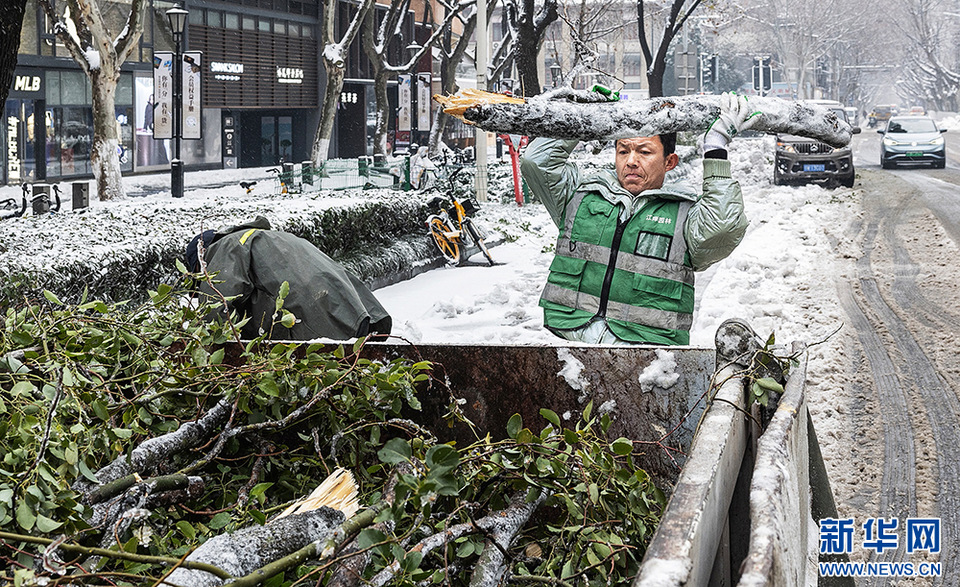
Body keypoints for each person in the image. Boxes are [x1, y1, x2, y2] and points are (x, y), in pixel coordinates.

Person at [519, 92, 758, 346]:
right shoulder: (580, 195)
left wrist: (716, 147)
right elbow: (537, 162)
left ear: (669, 161)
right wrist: (583, 117)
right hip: (566, 340)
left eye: (644, 152)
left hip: (647, 354)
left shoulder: (684, 214)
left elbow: (723, 226)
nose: (631, 161)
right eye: (623, 151)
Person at [185, 216, 392, 341]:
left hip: (325, 324)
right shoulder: (266, 238)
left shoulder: (225, 247)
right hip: (356, 312)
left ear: (202, 259)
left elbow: (216, 311)